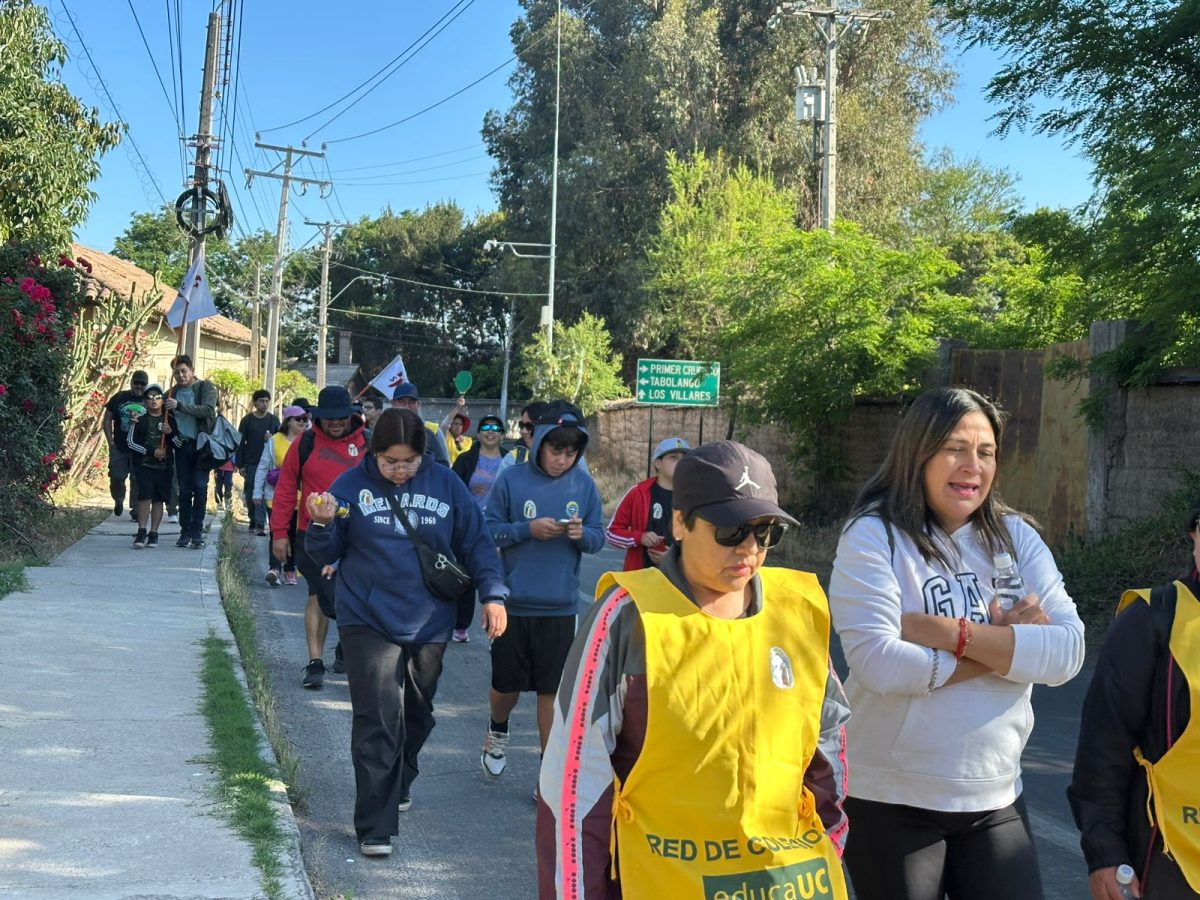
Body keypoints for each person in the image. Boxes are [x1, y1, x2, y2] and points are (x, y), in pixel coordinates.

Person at [536, 440, 851, 898]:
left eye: (766, 532)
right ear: (680, 523)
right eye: (730, 530)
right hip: (661, 883)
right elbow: (574, 783)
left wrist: (829, 845)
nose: (749, 548)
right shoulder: (627, 618)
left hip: (784, 882)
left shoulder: (797, 613)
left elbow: (827, 747)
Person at [828, 386, 1085, 900]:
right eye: (954, 448)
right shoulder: (874, 535)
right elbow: (881, 664)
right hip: (891, 796)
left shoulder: (1016, 537)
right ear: (918, 452)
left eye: (986, 452)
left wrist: (953, 634)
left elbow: (1068, 653)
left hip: (995, 792)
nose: (973, 465)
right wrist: (1011, 647)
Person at [304, 408, 509, 858]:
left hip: (429, 618)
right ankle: (375, 827)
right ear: (373, 453)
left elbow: (476, 542)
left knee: (416, 713)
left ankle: (400, 775)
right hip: (366, 616)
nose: (399, 470)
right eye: (390, 462)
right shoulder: (349, 486)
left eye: (409, 462)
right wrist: (321, 523)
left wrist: (493, 594)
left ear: (423, 454)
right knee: (378, 718)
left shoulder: (445, 484)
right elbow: (326, 550)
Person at [1068, 504, 1200, 900]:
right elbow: (1103, 746)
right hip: (1169, 858)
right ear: (1194, 534)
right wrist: (1104, 854)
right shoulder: (1153, 618)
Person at [482, 400, 605, 780]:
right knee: (505, 686)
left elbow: (598, 538)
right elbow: (488, 530)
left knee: (551, 691)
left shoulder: (583, 485)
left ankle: (548, 774)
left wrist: (581, 534)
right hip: (513, 605)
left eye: (570, 453)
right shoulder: (511, 479)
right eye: (556, 450)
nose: (562, 460)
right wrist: (527, 529)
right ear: (539, 443)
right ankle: (497, 727)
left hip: (559, 607)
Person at [270, 386, 367, 689]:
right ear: (319, 417)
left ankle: (345, 645)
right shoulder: (306, 442)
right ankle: (315, 663)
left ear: (351, 415)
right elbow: (286, 488)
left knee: (355, 596)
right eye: (329, 417)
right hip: (313, 533)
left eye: (341, 417)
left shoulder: (368, 442)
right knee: (318, 593)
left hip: (359, 535)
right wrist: (279, 534)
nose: (335, 422)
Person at [449, 413, 506, 641]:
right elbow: (453, 489)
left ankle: (499, 624)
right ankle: (460, 625)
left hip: (500, 525)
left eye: (496, 428)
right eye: (486, 428)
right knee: (467, 573)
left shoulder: (510, 460)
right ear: (478, 434)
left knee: (497, 574)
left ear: (502, 435)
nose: (491, 432)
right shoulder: (466, 460)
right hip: (471, 524)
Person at [606, 437, 690, 570]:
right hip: (639, 577)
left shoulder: (694, 497)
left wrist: (673, 558)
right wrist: (640, 537)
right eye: (673, 457)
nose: (680, 462)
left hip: (678, 578)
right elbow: (611, 534)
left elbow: (703, 544)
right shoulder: (638, 493)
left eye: (684, 459)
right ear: (658, 463)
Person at [164, 355, 219, 549]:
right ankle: (185, 531)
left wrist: (179, 406)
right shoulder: (170, 393)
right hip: (182, 445)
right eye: (176, 372)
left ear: (192, 370)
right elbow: (161, 414)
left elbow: (208, 410)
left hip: (202, 446)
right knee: (185, 490)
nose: (180, 375)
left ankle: (197, 532)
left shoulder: (205, 387)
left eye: (183, 371)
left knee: (200, 487)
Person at [254, 406, 309, 586]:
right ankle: (275, 569)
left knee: (293, 534)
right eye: (298, 418)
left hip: (301, 497)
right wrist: (257, 492)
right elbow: (263, 466)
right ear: (287, 421)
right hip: (276, 495)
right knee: (277, 532)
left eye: (304, 418)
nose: (302, 421)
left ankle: (290, 568)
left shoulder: (307, 440)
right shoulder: (274, 441)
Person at [125, 384, 173, 549]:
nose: (154, 401)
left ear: (163, 401)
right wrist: (152, 451)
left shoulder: (169, 420)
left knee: (159, 500)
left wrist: (171, 433)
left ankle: (154, 533)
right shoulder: (139, 420)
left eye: (158, 397)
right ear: (145, 401)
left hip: (164, 468)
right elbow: (131, 442)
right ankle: (141, 531)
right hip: (144, 466)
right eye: (150, 398)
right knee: (144, 497)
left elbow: (179, 442)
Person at [102, 370, 148, 519]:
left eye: (143, 383)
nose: (139, 386)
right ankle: (118, 499)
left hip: (139, 448)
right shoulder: (119, 397)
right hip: (119, 446)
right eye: (136, 382)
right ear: (131, 382)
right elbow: (107, 418)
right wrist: (110, 441)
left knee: (138, 479)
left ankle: (135, 509)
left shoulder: (149, 400)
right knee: (116, 476)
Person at [236, 389, 280, 534]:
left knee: (267, 493)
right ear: (255, 403)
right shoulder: (247, 420)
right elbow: (240, 443)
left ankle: (261, 524)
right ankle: (253, 520)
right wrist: (241, 465)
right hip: (252, 462)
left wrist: (272, 438)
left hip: (270, 464)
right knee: (251, 493)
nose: (264, 404)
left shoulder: (274, 420)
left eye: (267, 401)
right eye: (261, 401)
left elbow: (281, 439)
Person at [389, 382, 450, 466]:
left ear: (418, 404)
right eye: (402, 402)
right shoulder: (383, 432)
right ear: (392, 403)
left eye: (411, 402)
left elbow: (444, 467)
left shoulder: (431, 433)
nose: (406, 406)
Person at [499, 401, 548, 472]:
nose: (523, 431)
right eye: (521, 425)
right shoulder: (513, 459)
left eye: (529, 426)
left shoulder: (562, 457)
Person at [440, 396, 473, 466]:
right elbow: (445, 424)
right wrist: (458, 407)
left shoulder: (468, 441)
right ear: (451, 425)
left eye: (460, 424)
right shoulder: (446, 437)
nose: (458, 426)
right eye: (456, 424)